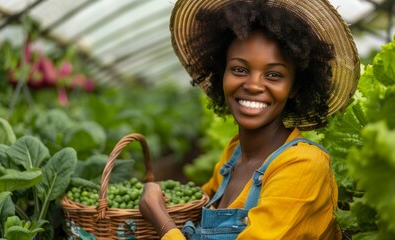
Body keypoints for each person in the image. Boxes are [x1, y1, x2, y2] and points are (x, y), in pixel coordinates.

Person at [140, 0, 360, 239]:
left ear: (294, 87)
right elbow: (195, 207)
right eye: (239, 69)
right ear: (221, 73)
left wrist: (161, 221)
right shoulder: (235, 153)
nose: (254, 85)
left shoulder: (303, 165)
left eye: (273, 75)